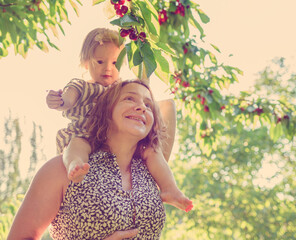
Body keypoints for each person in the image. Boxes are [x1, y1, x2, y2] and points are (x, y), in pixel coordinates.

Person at [46, 28, 192, 212]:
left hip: (109, 139)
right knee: (76, 147)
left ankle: (169, 188)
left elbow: (145, 95)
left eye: (115, 63)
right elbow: (69, 98)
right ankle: (75, 166)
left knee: (152, 152)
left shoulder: (121, 88)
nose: (107, 68)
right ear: (85, 62)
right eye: (100, 61)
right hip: (85, 134)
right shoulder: (82, 86)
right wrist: (60, 101)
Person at [8, 80, 175, 239]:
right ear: (106, 110)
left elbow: (169, 105)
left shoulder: (153, 171)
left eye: (148, 105)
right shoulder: (62, 169)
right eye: (129, 98)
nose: (142, 107)